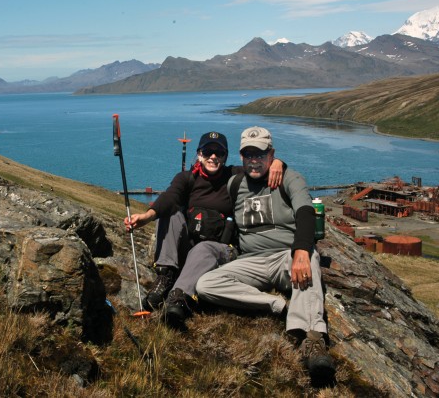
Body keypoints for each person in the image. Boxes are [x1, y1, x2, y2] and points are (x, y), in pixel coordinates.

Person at [195, 126, 336, 380]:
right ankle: (279, 306)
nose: (254, 160)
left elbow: (306, 211)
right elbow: (207, 184)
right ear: (241, 157)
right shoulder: (235, 183)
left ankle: (312, 340)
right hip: (250, 261)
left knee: (311, 260)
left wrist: (302, 250)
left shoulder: (289, 177)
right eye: (248, 154)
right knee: (206, 284)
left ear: (271, 154)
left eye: (260, 154)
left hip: (285, 256)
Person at [124, 131, 284, 329]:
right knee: (171, 213)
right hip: (189, 248)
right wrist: (147, 216)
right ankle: (166, 276)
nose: (213, 157)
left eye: (219, 153)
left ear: (225, 157)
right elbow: (170, 197)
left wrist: (278, 163)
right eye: (208, 151)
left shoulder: (235, 177)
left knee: (204, 248)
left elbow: (259, 167)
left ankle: (179, 298)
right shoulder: (187, 178)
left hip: (221, 250)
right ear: (199, 154)